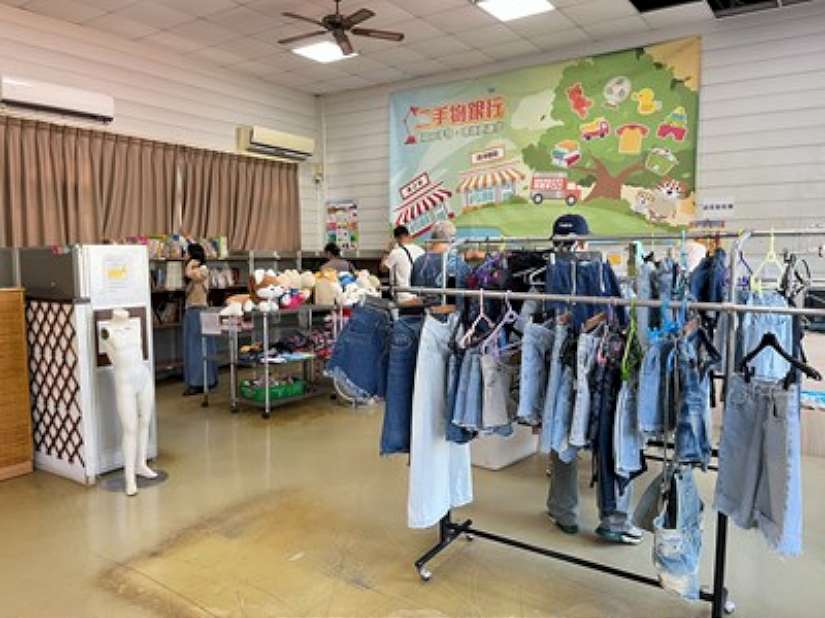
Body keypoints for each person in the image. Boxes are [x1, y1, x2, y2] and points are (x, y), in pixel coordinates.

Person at [545, 213, 643, 545]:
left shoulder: (547, 273)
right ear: (584, 242)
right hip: (602, 357)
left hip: (561, 358)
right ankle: (614, 519)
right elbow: (620, 316)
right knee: (611, 437)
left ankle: (563, 512)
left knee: (562, 431)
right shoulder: (600, 270)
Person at [182, 243, 217, 396]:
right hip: (192, 312)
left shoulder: (202, 270)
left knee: (197, 348)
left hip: (199, 311)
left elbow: (191, 274)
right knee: (193, 347)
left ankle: (199, 383)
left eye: (187, 253)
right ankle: (203, 380)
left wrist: (190, 264)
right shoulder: (196, 270)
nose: (185, 256)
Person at [409, 220, 470, 307]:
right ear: (452, 239)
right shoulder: (457, 264)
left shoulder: (419, 261)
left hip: (424, 312)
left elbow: (415, 290)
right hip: (452, 313)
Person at [382, 225, 425, 304]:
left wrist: (386, 251)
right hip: (420, 296)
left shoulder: (396, 252)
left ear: (396, 239)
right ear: (408, 236)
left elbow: (383, 269)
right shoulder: (421, 250)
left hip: (403, 298)